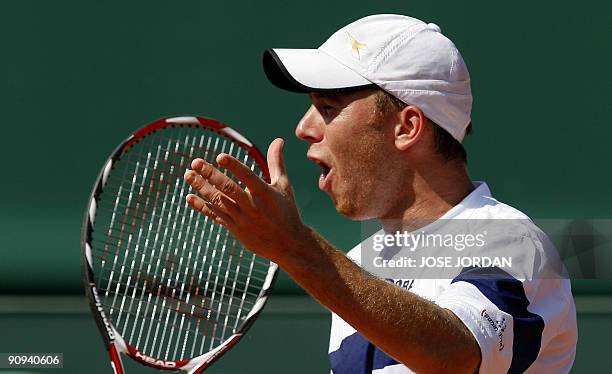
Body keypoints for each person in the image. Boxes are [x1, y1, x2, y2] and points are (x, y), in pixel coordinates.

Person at [183, 14, 577, 373]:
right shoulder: (361, 264)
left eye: (328, 106)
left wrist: (294, 246)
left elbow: (453, 357)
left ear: (406, 127)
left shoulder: (512, 243)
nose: (303, 128)